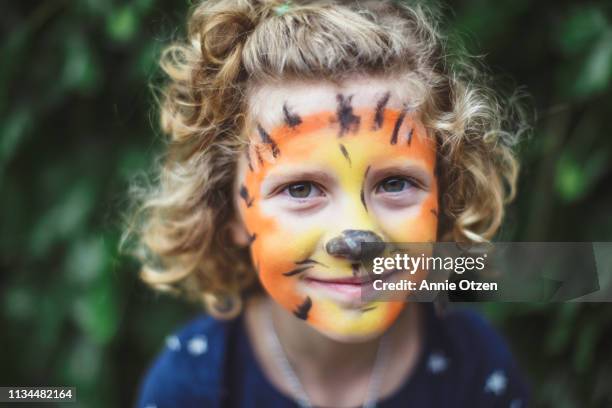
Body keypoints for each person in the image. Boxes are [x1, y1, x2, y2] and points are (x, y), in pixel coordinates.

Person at [126, 0, 529, 406]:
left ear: (447, 192)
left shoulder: (474, 366)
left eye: (394, 183)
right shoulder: (191, 386)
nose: (357, 239)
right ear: (226, 208)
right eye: (301, 189)